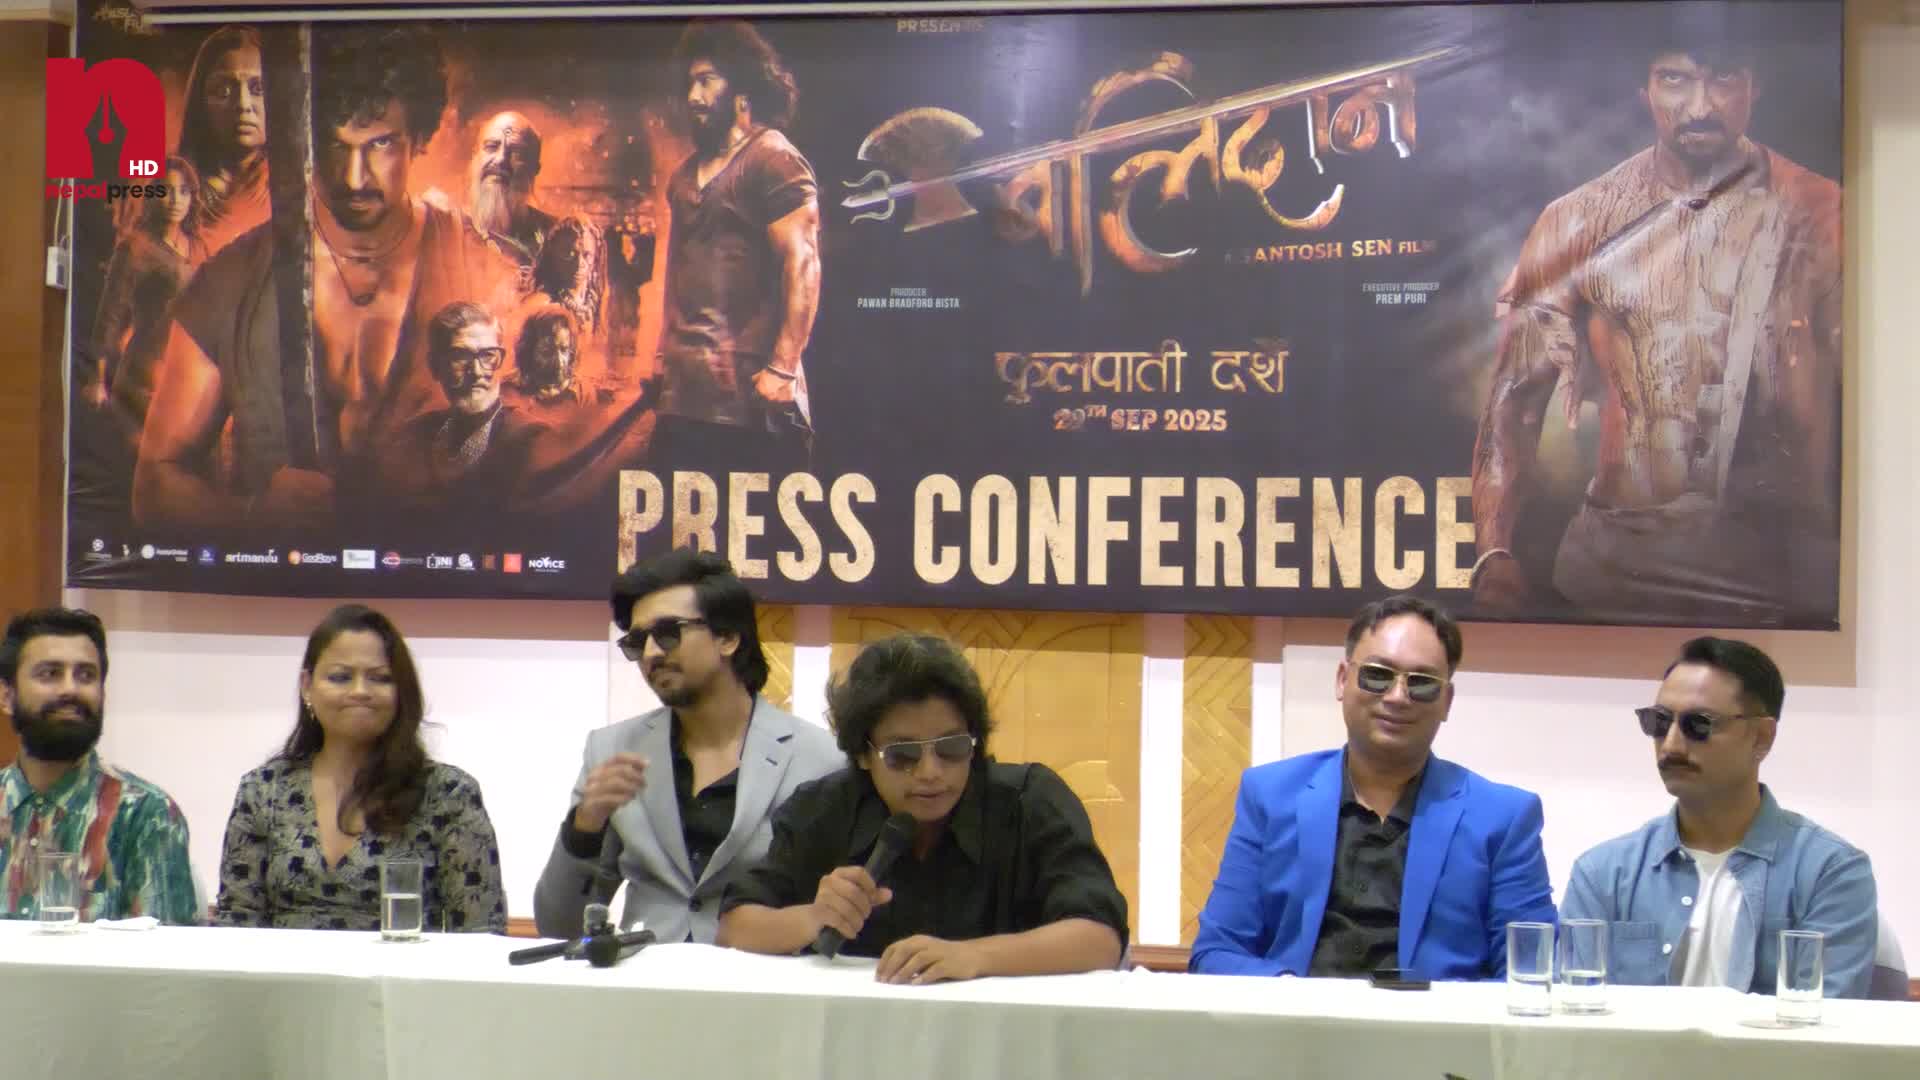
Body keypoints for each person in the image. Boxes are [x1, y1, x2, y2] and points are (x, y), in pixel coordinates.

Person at [1472, 9, 1841, 626]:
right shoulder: (1579, 220)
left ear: (1754, 85)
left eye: (1723, 78)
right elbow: (1514, 404)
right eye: (1675, 79)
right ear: (1643, 88)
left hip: (1777, 572)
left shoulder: (1823, 214)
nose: (1700, 105)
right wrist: (1494, 552)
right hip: (1616, 561)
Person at [135, 24, 518, 529]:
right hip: (282, 576)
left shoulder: (480, 265)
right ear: (302, 141)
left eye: (380, 144)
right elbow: (154, 485)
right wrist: (251, 517)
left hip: (446, 572)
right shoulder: (230, 280)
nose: (354, 178)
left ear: (417, 138)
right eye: (334, 146)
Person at [719, 634, 1128, 984]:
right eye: (903, 755)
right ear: (862, 754)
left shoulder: (1029, 801)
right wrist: (813, 917)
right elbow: (734, 927)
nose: (931, 772)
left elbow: (1100, 939)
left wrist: (974, 956)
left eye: (952, 748)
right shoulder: (823, 808)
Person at [1190, 595, 1555, 979]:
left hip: (1434, 1018)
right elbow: (1217, 952)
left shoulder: (1503, 819)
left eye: (1422, 683)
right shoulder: (1270, 796)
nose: (1397, 697)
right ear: (1342, 680)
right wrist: (1292, 997)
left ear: (1446, 701)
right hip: (1299, 1013)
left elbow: (1533, 972)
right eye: (1378, 674)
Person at [533, 549, 841, 943]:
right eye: (637, 641)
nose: (651, 653)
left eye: (668, 632)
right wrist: (584, 828)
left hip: (760, 970)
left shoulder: (818, 759)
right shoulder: (611, 750)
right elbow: (557, 926)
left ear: (727, 637)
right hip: (646, 972)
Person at [1561, 637, 1877, 996]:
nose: (1671, 745)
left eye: (1698, 724)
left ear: (1762, 737)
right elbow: (1574, 1013)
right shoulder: (1603, 874)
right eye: (1659, 721)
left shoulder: (1829, 873)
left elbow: (1824, 1022)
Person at [213, 604, 506, 932]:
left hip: (403, 965)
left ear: (401, 692)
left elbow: (481, 933)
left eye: (380, 678)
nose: (360, 691)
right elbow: (236, 925)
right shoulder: (263, 790)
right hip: (282, 967)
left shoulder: (449, 794)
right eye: (340, 677)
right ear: (307, 686)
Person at [655, 20, 820, 469]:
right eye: (690, 84)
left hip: (749, 397)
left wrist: (783, 368)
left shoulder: (774, 158)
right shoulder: (683, 177)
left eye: (707, 81)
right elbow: (676, 271)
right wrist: (662, 354)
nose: (694, 96)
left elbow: (802, 262)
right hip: (682, 397)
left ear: (742, 90)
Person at [0, 608, 198, 924]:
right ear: (7, 696)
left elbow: (163, 953)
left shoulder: (145, 814)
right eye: (49, 673)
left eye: (86, 675)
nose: (70, 689)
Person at [378, 301, 547, 514]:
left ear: (501, 361)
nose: (476, 371)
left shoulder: (530, 438)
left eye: (488, 355)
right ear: (435, 366)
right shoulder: (413, 436)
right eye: (460, 356)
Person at [86, 156, 204, 430]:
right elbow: (110, 315)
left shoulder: (197, 245)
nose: (175, 200)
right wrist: (97, 380)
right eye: (166, 190)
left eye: (183, 191)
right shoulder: (136, 248)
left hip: (189, 377)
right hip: (145, 375)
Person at [176, 26, 269, 257]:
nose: (243, 104)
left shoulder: (301, 191)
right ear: (200, 102)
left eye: (259, 89)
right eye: (224, 91)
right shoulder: (172, 190)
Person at [467, 110, 558, 272]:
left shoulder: (556, 238)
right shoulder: (448, 229)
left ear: (534, 169)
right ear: (475, 156)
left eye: (517, 152)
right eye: (491, 147)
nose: (501, 159)